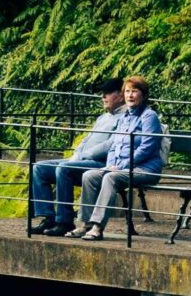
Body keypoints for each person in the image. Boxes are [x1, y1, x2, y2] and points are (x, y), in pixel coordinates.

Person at [72, 77, 168, 239]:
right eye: (128, 91)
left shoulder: (149, 117)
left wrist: (122, 165)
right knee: (90, 175)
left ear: (143, 95)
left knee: (111, 178)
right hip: (121, 168)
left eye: (135, 91)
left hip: (145, 169)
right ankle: (86, 224)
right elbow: (114, 146)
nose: (130, 95)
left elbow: (147, 148)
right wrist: (110, 164)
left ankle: (97, 226)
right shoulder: (124, 118)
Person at [29, 86, 123, 235]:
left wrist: (85, 155)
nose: (103, 97)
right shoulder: (103, 117)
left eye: (108, 93)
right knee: (39, 168)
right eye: (102, 94)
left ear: (120, 96)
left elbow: (111, 144)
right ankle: (48, 218)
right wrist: (77, 153)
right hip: (80, 160)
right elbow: (87, 139)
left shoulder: (124, 118)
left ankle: (64, 221)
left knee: (63, 168)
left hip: (101, 163)